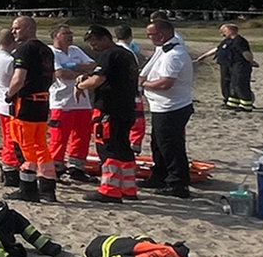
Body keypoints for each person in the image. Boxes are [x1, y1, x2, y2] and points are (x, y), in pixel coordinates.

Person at [79, 25, 140, 203]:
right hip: (126, 108)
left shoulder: (109, 54)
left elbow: (98, 80)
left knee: (107, 148)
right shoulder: (127, 54)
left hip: (109, 109)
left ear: (105, 38)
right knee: (124, 148)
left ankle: (109, 190)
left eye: (95, 42)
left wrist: (80, 85)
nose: (93, 47)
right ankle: (128, 188)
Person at [3, 15, 58, 205]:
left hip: (25, 104)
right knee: (41, 145)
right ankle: (48, 187)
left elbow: (18, 79)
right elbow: (52, 77)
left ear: (28, 28)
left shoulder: (24, 50)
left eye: (16, 28)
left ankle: (27, 188)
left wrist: (9, 95)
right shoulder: (46, 50)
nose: (13, 32)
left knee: (23, 146)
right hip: (42, 104)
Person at [139, 16, 196, 198]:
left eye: (151, 35)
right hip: (161, 106)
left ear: (162, 35)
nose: (149, 37)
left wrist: (143, 84)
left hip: (172, 107)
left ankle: (178, 183)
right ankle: (160, 175)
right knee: (158, 144)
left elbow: (165, 83)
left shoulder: (174, 54)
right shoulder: (164, 50)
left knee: (171, 146)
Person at [48, 25, 94, 183]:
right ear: (55, 36)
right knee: (59, 137)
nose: (70, 36)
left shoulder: (75, 50)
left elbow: (93, 65)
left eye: (70, 33)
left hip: (82, 101)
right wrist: (82, 73)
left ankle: (76, 167)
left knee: (82, 136)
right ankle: (56, 168)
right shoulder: (51, 52)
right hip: (61, 102)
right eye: (65, 33)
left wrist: (74, 67)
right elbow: (61, 74)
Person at [0, 28, 22, 186]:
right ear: (13, 41)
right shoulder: (9, 61)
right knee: (11, 139)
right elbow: (17, 81)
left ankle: (9, 167)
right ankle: (9, 170)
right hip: (8, 104)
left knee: (8, 137)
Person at [195, 23, 257, 111]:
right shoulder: (227, 40)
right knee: (231, 84)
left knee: (240, 84)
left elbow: (246, 53)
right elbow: (217, 49)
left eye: (223, 31)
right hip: (229, 65)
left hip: (239, 65)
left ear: (230, 30)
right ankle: (232, 103)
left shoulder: (239, 41)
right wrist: (204, 56)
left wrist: (251, 61)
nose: (222, 34)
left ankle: (246, 105)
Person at [115, 23, 147, 151]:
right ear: (130, 36)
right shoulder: (128, 52)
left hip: (118, 91)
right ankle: (133, 146)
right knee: (137, 120)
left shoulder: (114, 49)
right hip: (129, 90)